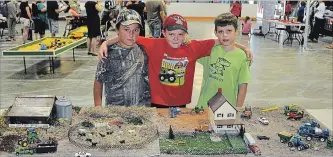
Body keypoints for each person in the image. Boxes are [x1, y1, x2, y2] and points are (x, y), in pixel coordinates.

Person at [98, 14, 253, 108]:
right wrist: (106, 43)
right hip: (157, 101)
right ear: (164, 33)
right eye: (171, 34)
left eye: (180, 34)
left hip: (181, 103)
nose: (176, 38)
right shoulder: (154, 44)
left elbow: (221, 40)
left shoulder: (193, 47)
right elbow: (129, 37)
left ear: (185, 34)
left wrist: (243, 47)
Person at [93, 9, 150, 107]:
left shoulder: (144, 49)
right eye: (126, 29)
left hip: (142, 110)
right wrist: (98, 107)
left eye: (135, 30)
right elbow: (98, 82)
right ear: (117, 30)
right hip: (115, 111)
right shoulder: (107, 53)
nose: (131, 34)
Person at [197, 12, 251, 110]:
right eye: (220, 31)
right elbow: (192, 46)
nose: (225, 35)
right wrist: (242, 46)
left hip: (227, 107)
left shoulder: (242, 56)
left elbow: (243, 85)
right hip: (204, 106)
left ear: (237, 31)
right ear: (215, 33)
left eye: (229, 31)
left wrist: (238, 109)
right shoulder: (210, 50)